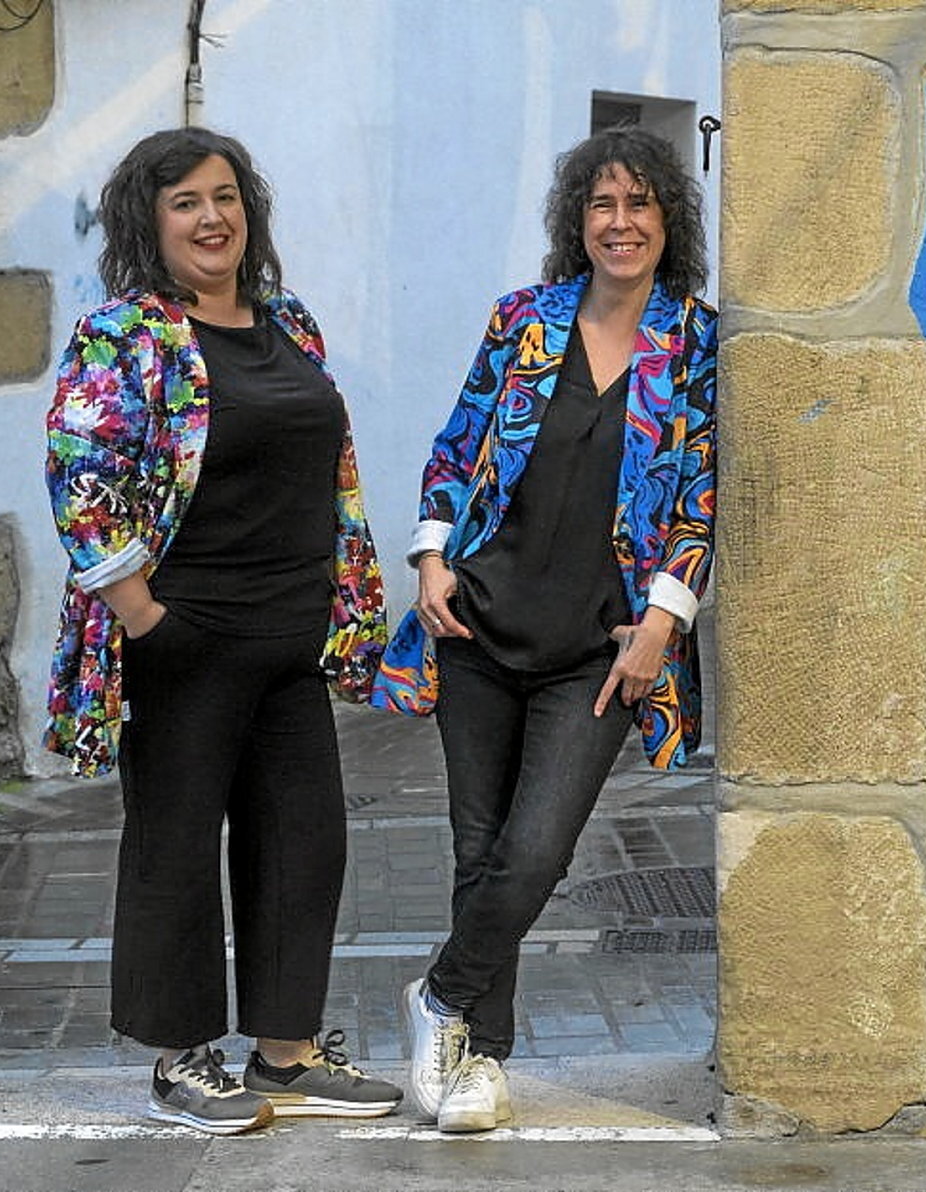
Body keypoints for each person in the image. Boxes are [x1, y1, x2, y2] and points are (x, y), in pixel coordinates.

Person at [43, 127, 400, 1134]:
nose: (213, 217)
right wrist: (145, 617)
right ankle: (181, 1061)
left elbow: (329, 471)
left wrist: (343, 601)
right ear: (150, 222)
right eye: (187, 202)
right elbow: (80, 478)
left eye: (226, 196)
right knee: (177, 846)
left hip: (291, 637)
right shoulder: (126, 333)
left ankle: (286, 1056)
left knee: (305, 841)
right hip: (186, 637)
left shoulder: (290, 323)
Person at [372, 125, 717, 1133]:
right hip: (478, 626)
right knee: (478, 850)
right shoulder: (524, 321)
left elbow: (700, 496)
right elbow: (457, 445)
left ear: (668, 219)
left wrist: (663, 623)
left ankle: (439, 996)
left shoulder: (695, 342)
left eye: (639, 203)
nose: (621, 222)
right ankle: (479, 1063)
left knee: (535, 852)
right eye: (602, 204)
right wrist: (432, 559)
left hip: (599, 650)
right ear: (578, 220)